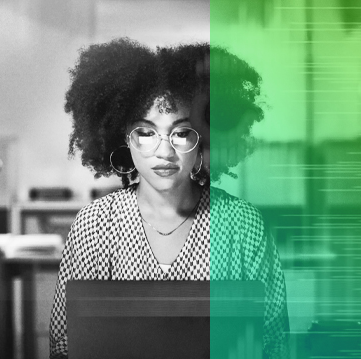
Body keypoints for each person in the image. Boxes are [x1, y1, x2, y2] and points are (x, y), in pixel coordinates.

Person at [49, 38, 289, 359]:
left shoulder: (243, 225)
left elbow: (274, 341)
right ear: (124, 138)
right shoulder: (95, 224)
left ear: (203, 138)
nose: (165, 152)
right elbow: (64, 344)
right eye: (146, 132)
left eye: (181, 132)